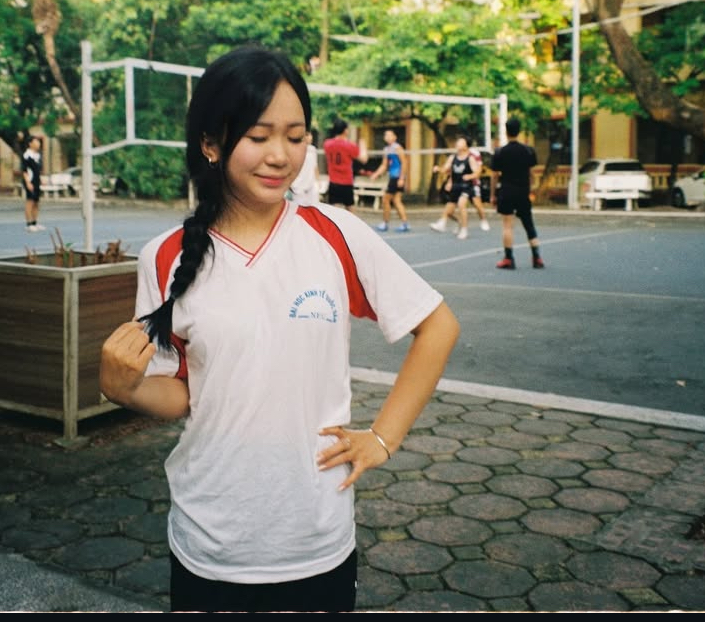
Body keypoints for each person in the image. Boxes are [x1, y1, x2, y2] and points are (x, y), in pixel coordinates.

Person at [99, 46, 459, 613]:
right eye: (258, 135)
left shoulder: (335, 234)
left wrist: (383, 438)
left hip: (314, 539)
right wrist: (124, 388)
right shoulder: (165, 257)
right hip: (209, 540)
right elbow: (182, 394)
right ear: (211, 143)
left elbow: (437, 326)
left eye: (295, 137)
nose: (279, 156)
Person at [486, 117, 544, 269]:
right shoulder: (528, 151)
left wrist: (492, 194)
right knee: (528, 223)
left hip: (507, 191)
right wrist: (531, 188)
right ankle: (536, 257)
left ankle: (509, 258)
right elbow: (531, 174)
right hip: (523, 191)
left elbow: (494, 176)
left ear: (506, 131)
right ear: (519, 131)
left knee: (507, 225)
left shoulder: (500, 152)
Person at [429, 136, 481, 239]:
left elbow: (478, 171)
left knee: (461, 204)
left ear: (466, 146)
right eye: (458, 141)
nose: (458, 143)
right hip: (455, 186)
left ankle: (464, 230)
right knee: (449, 209)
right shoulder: (452, 158)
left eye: (461, 142)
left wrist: (470, 176)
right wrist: (438, 169)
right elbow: (445, 170)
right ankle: (443, 223)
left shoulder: (470, 158)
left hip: (466, 186)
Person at [322, 118, 368, 211]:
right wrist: (363, 144)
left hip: (333, 181)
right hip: (346, 181)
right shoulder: (349, 145)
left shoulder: (327, 144)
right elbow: (364, 159)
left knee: (334, 209)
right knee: (350, 208)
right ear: (345, 130)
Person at [368, 129, 410, 232]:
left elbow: (404, 162)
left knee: (385, 199)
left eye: (389, 135)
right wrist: (376, 174)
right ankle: (404, 223)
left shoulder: (397, 148)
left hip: (397, 177)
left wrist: (401, 178)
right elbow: (384, 165)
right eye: (385, 135)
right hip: (392, 177)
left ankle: (385, 223)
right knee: (396, 201)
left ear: (395, 137)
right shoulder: (386, 149)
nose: (387, 137)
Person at [288, 130, 321, 206]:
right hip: (298, 187)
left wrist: (318, 181)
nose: (310, 137)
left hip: (311, 186)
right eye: (307, 135)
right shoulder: (294, 150)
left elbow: (315, 166)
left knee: (314, 208)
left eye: (310, 135)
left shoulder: (312, 149)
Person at [21, 136, 46, 232]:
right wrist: (28, 183)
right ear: (30, 143)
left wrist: (40, 179)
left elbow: (37, 170)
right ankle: (29, 224)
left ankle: (35, 222)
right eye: (36, 142)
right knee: (30, 202)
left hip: (36, 181)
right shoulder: (26, 155)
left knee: (36, 202)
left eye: (39, 142)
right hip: (30, 181)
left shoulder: (38, 155)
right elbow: (25, 171)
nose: (38, 143)